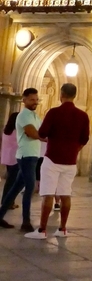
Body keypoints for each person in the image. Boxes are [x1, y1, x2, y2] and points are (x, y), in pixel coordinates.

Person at [25, 83, 89, 241]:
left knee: (48, 194)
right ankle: (62, 229)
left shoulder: (54, 112)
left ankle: (42, 230)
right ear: (74, 95)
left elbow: (42, 133)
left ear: (61, 94)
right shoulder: (83, 116)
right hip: (70, 161)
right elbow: (84, 139)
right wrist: (74, 150)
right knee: (65, 194)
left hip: (52, 159)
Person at [0, 90, 42, 232]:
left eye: (36, 99)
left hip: (32, 155)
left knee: (16, 188)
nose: (35, 102)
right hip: (26, 156)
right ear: (24, 100)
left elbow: (42, 130)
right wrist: (45, 138)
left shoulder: (35, 116)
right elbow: (32, 133)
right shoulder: (23, 116)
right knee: (30, 188)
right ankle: (26, 222)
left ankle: (0, 216)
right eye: (32, 99)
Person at [0, 112, 19, 211]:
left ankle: (7, 201)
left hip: (8, 158)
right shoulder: (17, 131)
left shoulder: (6, 130)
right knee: (12, 182)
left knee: (10, 181)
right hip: (15, 159)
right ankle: (8, 202)